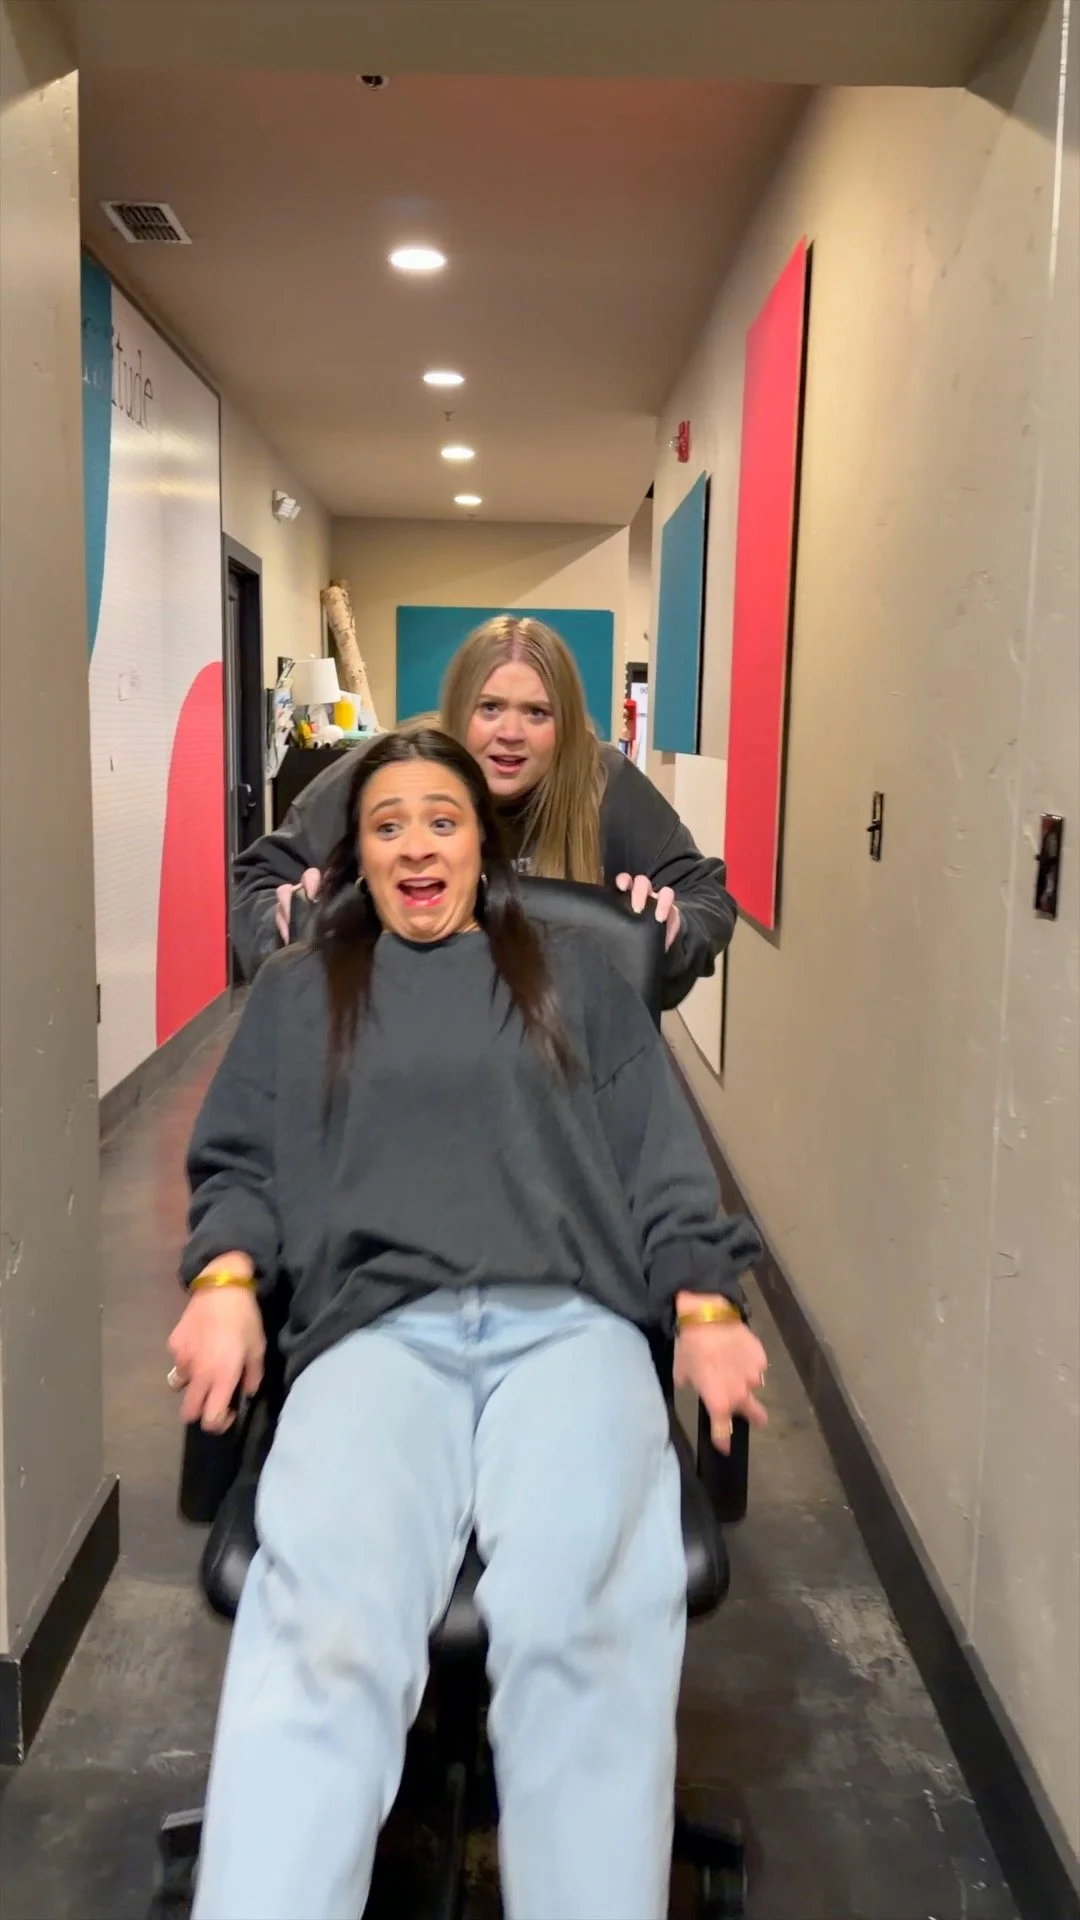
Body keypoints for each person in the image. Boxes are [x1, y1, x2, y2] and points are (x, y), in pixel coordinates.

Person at [170, 727, 767, 1920]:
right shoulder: (297, 993)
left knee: (578, 1623)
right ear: (357, 856)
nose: (416, 847)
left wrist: (704, 1302)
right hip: (375, 1332)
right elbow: (237, 1168)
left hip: (571, 1330)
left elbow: (663, 1169)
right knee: (330, 1625)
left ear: (480, 843)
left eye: (440, 821)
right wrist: (225, 1285)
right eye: (386, 826)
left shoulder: (581, 976)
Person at [232, 614, 737, 1008]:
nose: (510, 734)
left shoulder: (605, 782)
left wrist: (673, 930)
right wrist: (285, 922)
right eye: (490, 707)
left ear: (563, 722)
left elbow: (706, 896)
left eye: (537, 712)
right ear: (459, 709)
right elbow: (255, 881)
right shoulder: (391, 770)